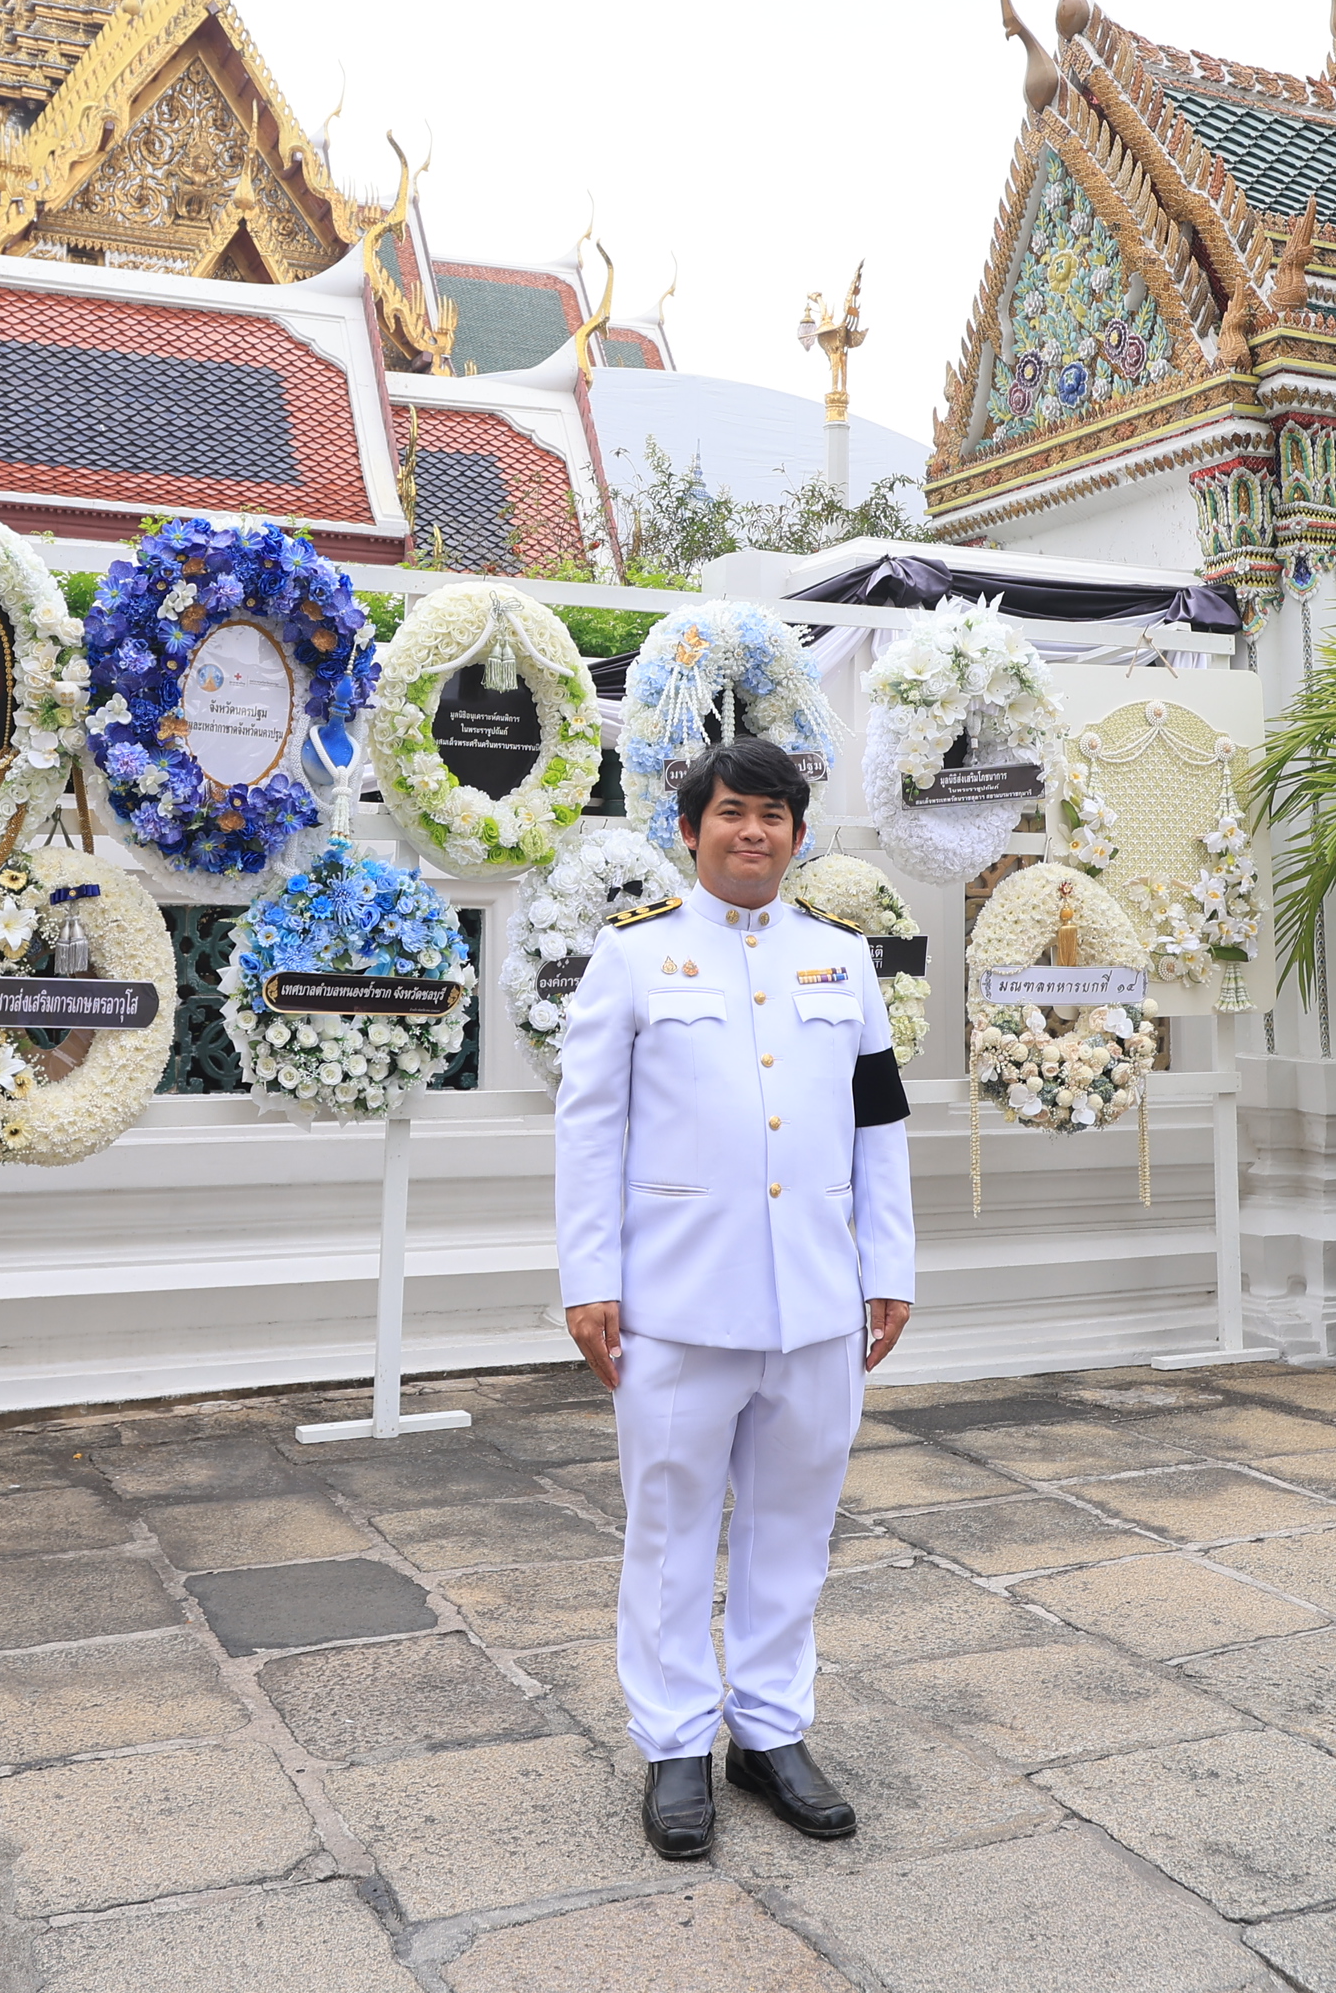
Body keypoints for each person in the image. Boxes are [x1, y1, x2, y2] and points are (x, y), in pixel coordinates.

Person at [553, 735, 916, 1859]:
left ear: (797, 836)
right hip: (675, 1301)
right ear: (691, 830)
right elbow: (588, 1127)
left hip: (816, 1298)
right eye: (731, 813)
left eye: (772, 814)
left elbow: (880, 1125)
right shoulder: (634, 958)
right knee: (668, 1530)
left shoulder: (840, 960)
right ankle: (672, 1745)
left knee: (793, 1528)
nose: (752, 831)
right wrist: (589, 1279)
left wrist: (889, 1267)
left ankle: (769, 1730)